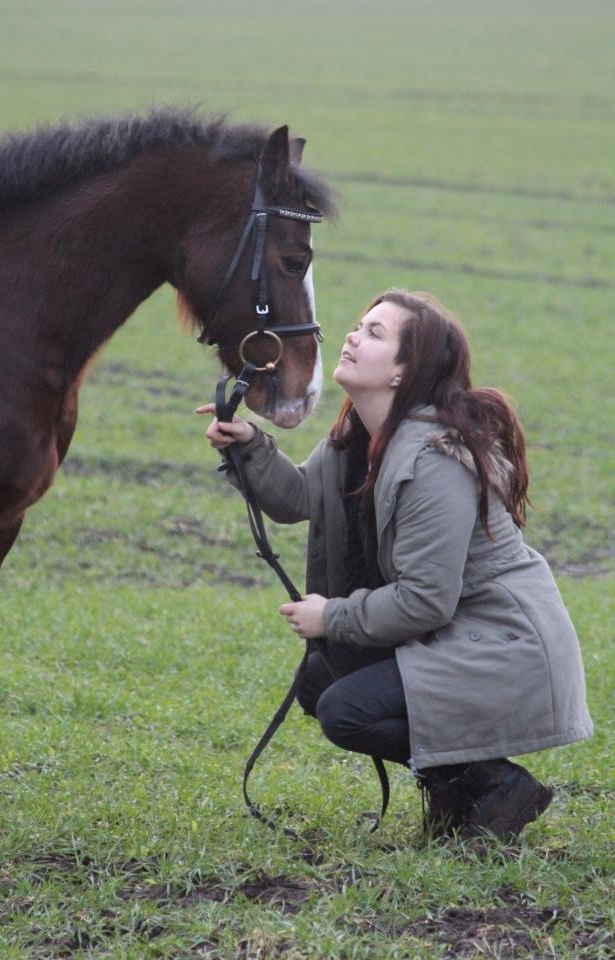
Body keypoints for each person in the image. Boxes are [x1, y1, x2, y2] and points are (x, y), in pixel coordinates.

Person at [196, 289, 593, 842]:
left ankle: (493, 783)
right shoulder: (358, 440)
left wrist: (332, 616)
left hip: (504, 645)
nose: (353, 336)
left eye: (375, 333)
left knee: (346, 710)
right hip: (454, 635)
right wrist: (249, 446)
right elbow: (297, 499)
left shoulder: (434, 461)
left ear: (405, 373)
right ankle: (464, 792)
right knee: (320, 678)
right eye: (359, 326)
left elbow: (425, 599)